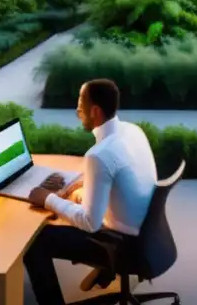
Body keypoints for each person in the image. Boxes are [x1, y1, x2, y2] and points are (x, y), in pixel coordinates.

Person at [24, 79, 158, 305]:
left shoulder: (98, 155)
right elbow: (123, 173)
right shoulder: (132, 131)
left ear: (94, 111)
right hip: (146, 231)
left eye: (80, 103)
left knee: (37, 242)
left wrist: (48, 199)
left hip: (123, 243)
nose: (77, 110)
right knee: (72, 205)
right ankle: (105, 270)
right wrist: (88, 184)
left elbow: (90, 223)